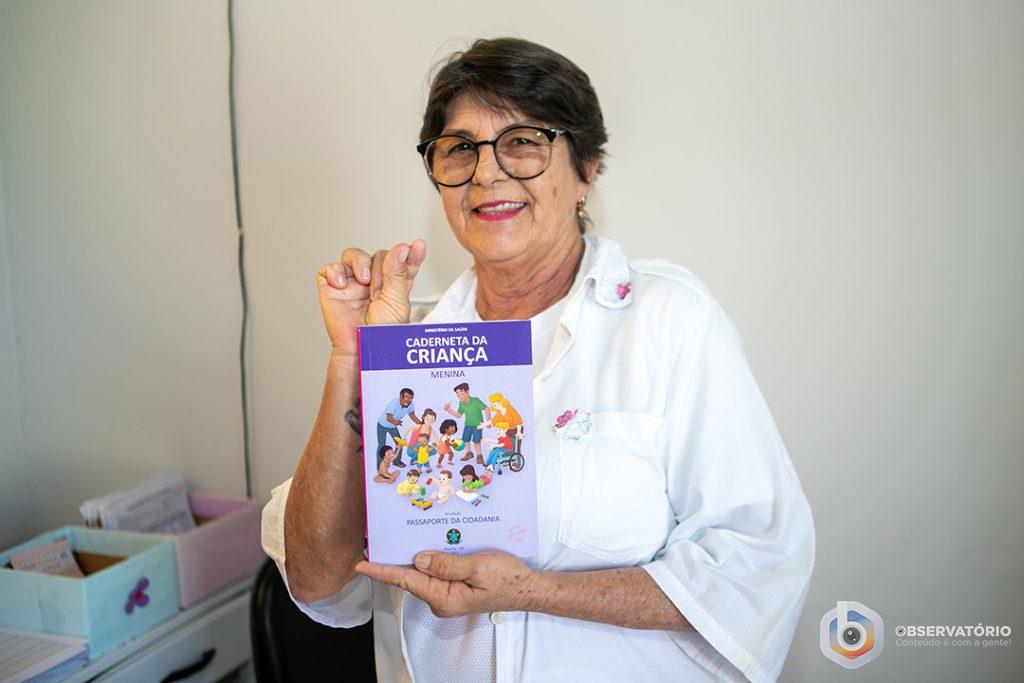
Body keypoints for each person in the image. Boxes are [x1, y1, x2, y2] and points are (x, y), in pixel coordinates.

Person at [262, 37, 815, 682]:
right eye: (460, 147)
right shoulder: (406, 342)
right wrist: (351, 360)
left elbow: (756, 564)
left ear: (587, 169)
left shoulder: (669, 320)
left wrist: (533, 592)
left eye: (522, 141)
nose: (486, 173)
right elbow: (318, 577)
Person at [376, 387, 420, 467]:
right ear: (401, 396)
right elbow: (388, 417)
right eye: (406, 397)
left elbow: (412, 416)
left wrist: (421, 423)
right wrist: (395, 422)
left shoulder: (410, 404)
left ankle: (396, 461)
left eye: (411, 398)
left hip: (392, 427)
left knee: (400, 443)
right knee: (382, 444)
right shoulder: (394, 404)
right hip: (382, 425)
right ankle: (380, 465)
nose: (408, 400)